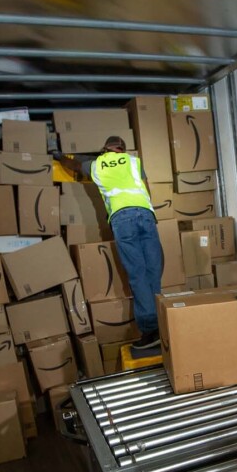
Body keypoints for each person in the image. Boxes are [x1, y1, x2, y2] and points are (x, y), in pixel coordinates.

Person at [55, 137, 163, 352]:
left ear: (105, 150)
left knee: (137, 274)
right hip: (146, 215)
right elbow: (147, 189)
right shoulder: (133, 161)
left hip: (122, 219)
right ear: (122, 149)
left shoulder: (97, 164)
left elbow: (74, 164)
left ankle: (150, 330)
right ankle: (163, 323)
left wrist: (58, 156)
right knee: (154, 272)